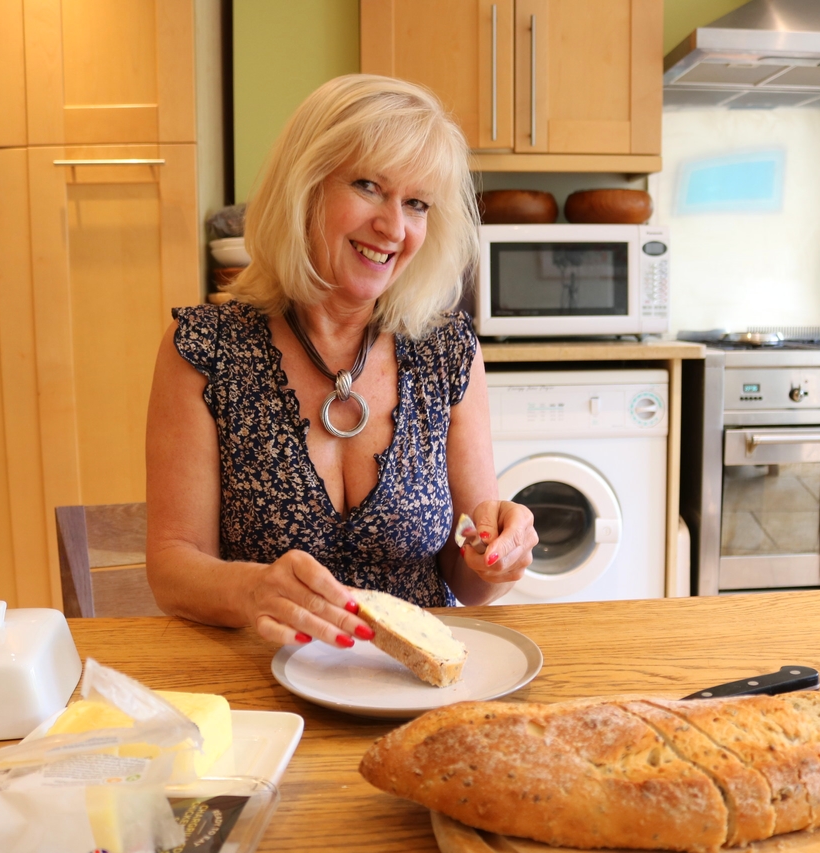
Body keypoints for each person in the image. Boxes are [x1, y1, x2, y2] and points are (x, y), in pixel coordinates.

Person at [145, 74, 538, 648]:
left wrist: (495, 557)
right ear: (304, 187)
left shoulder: (447, 351)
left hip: (414, 674)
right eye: (369, 186)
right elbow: (172, 566)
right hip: (264, 675)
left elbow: (467, 577)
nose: (394, 227)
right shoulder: (206, 348)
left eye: (416, 203)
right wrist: (251, 590)